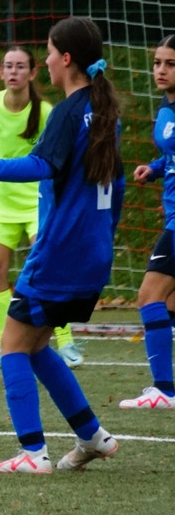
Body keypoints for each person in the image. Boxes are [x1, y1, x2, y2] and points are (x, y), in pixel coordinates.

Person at [0, 16, 124, 474]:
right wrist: (103, 237)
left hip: (61, 254)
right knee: (37, 344)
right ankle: (92, 436)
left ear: (66, 59)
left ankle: (32, 452)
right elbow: (115, 187)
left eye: (49, 52)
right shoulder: (103, 110)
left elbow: (38, 166)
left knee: (13, 344)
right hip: (93, 253)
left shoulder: (67, 112)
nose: (45, 60)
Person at [0, 47, 84, 370]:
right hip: (1, 203)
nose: (14, 72)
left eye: (21, 66)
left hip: (38, 202)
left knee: (48, 271)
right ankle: (4, 345)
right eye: (8, 66)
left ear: (33, 73)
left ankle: (65, 341)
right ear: (0, 72)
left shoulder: (47, 112)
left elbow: (56, 162)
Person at [118, 34, 175, 410]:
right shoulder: (167, 105)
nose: (161, 70)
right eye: (157, 63)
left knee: (149, 295)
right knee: (168, 303)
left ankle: (164, 390)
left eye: (170, 64)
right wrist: (154, 169)